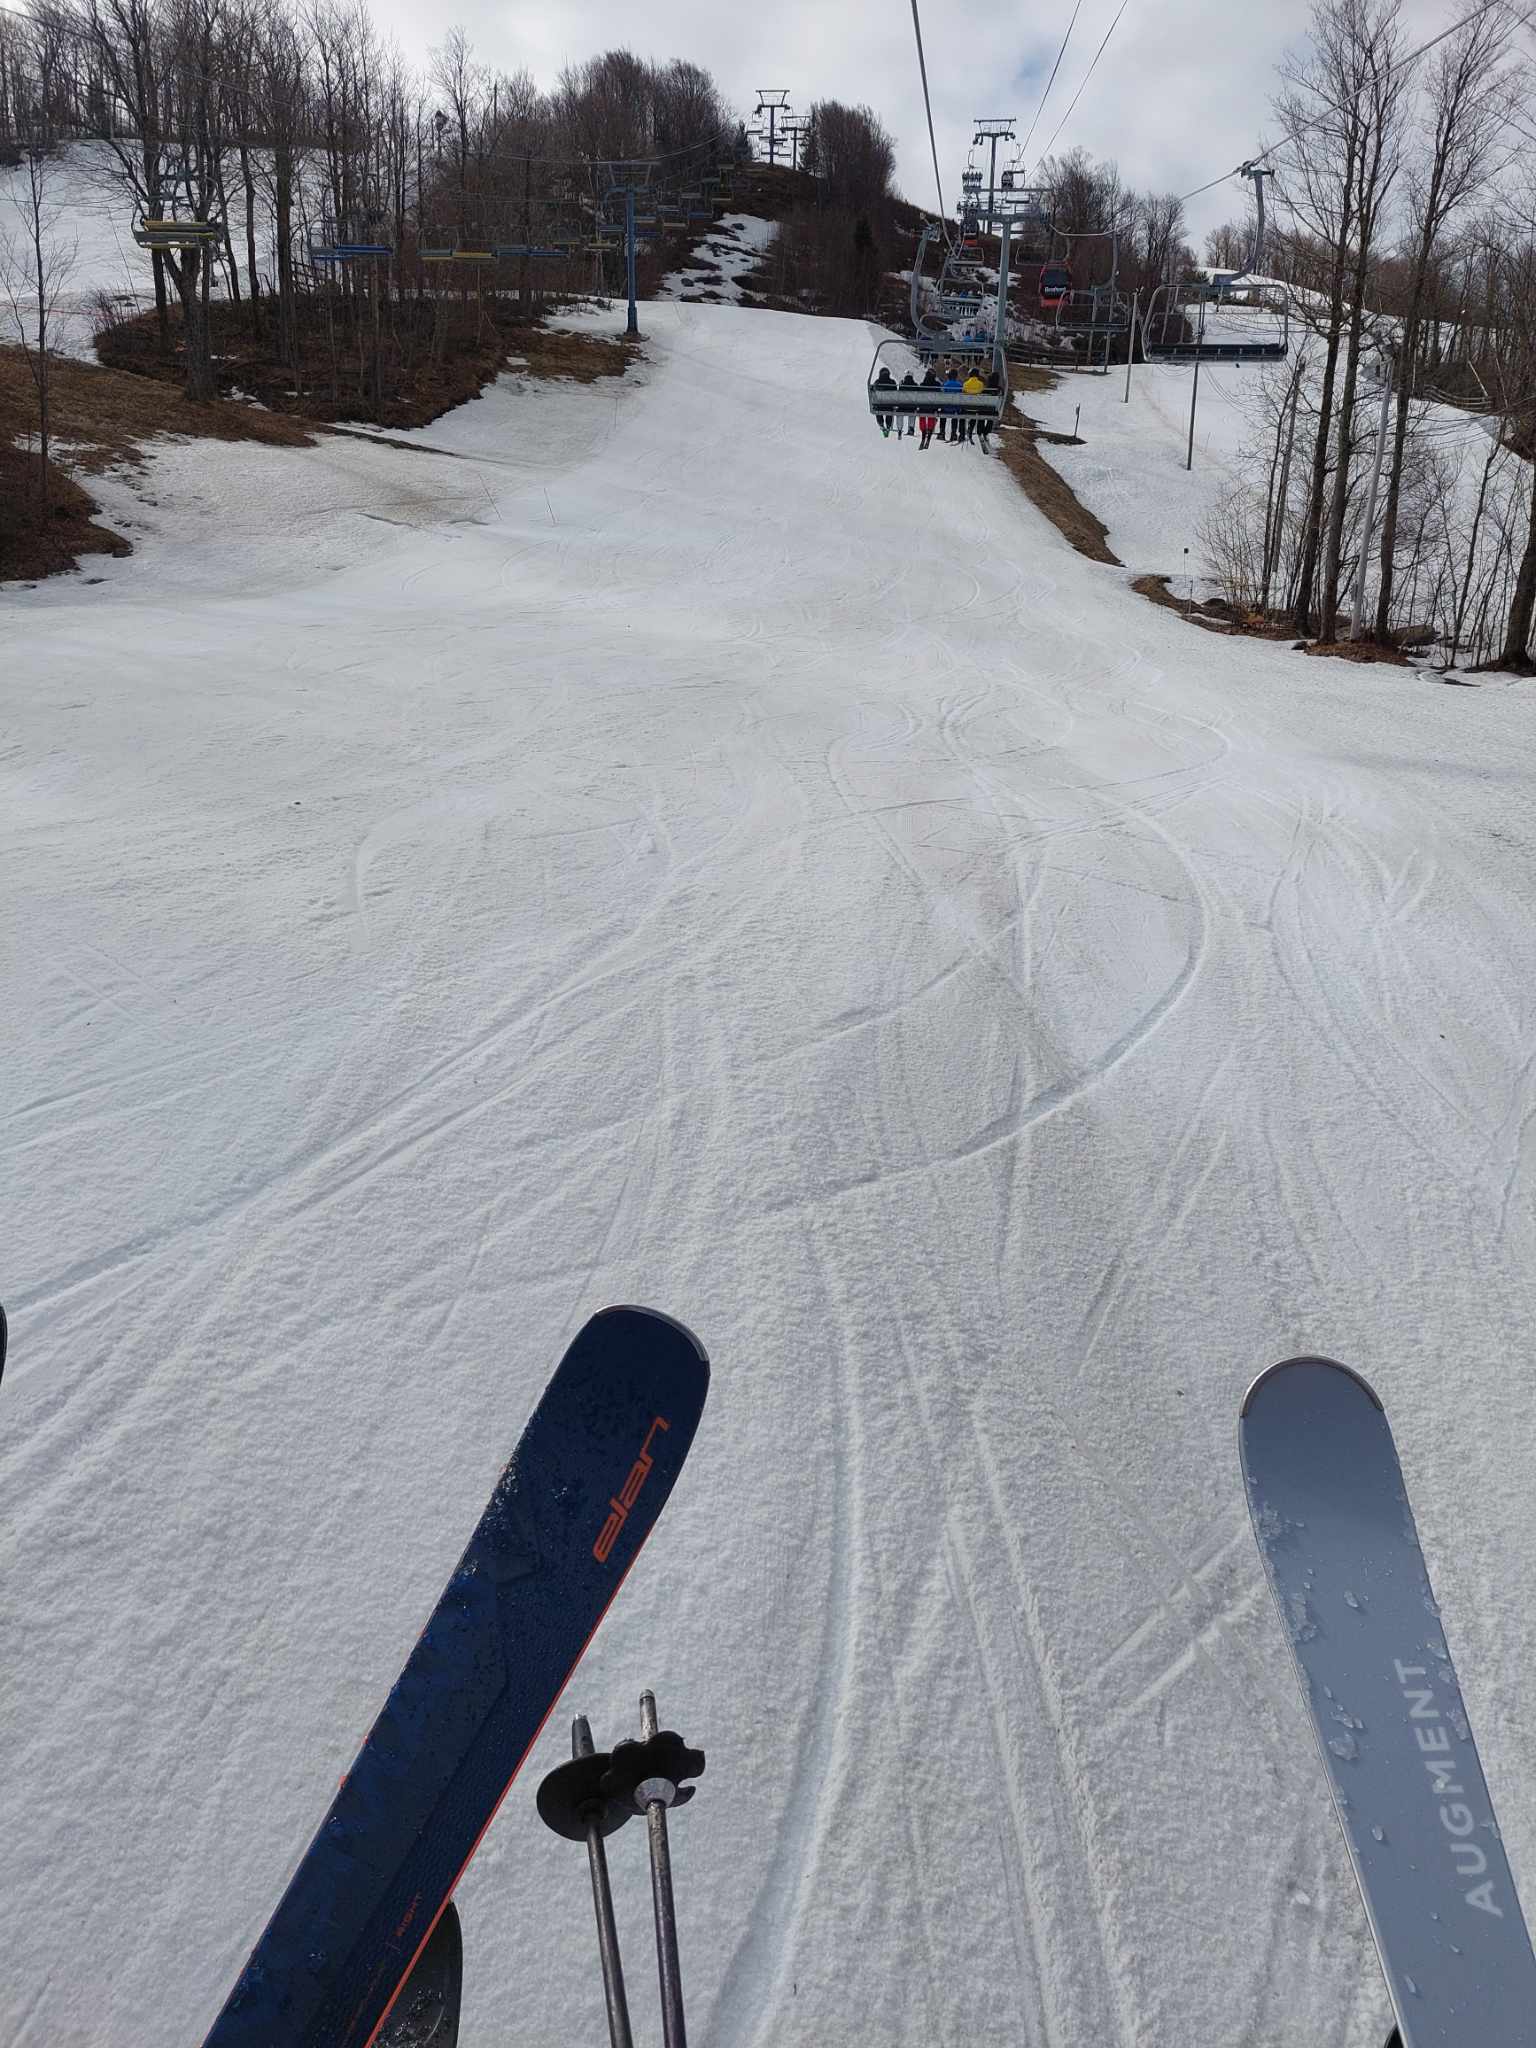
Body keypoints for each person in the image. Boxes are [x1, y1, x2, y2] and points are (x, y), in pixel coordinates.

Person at [872, 364, 896, 438]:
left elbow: (873, 392)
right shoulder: (892, 382)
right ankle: (888, 426)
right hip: (889, 405)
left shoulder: (877, 382)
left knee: (878, 409)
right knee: (889, 410)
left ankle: (881, 424)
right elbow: (895, 391)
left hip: (879, 406)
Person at [962, 367, 985, 443]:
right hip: (976, 407)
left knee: (963, 413)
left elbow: (963, 392)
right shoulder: (981, 384)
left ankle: (961, 432)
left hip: (966, 407)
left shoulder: (965, 384)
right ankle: (971, 429)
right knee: (974, 414)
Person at [898, 368, 919, 437]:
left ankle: (900, 428)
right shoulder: (915, 385)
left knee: (899, 412)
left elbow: (899, 395)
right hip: (912, 407)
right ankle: (911, 428)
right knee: (913, 410)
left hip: (902, 406)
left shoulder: (902, 385)